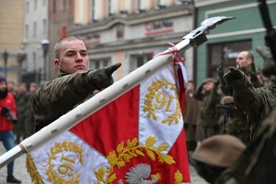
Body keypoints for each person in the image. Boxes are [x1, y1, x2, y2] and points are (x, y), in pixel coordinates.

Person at [32, 35, 121, 132]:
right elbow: (65, 88)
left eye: (83, 54)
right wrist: (91, 78)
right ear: (58, 63)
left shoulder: (98, 91)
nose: (79, 58)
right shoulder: (43, 95)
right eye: (70, 54)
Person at [0, 76, 21, 183]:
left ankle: (10, 175)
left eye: (4, 83)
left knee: (12, 152)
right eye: (1, 84)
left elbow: (13, 109)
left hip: (7, 130)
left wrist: (11, 115)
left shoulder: (10, 96)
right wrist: (1, 110)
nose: (3, 85)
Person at [183, 80, 199, 152]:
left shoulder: (189, 93)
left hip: (188, 121)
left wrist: (186, 121)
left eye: (190, 85)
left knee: (188, 139)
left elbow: (190, 108)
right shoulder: (195, 94)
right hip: (193, 120)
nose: (189, 87)